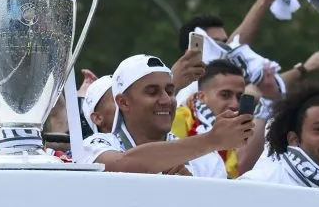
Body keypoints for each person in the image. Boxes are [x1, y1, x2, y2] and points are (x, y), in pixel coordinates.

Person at [77, 54, 252, 176]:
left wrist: (192, 190)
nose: (166, 100)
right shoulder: (95, 145)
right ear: (123, 102)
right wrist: (212, 140)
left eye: (170, 91)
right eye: (152, 92)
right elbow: (121, 165)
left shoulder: (206, 158)